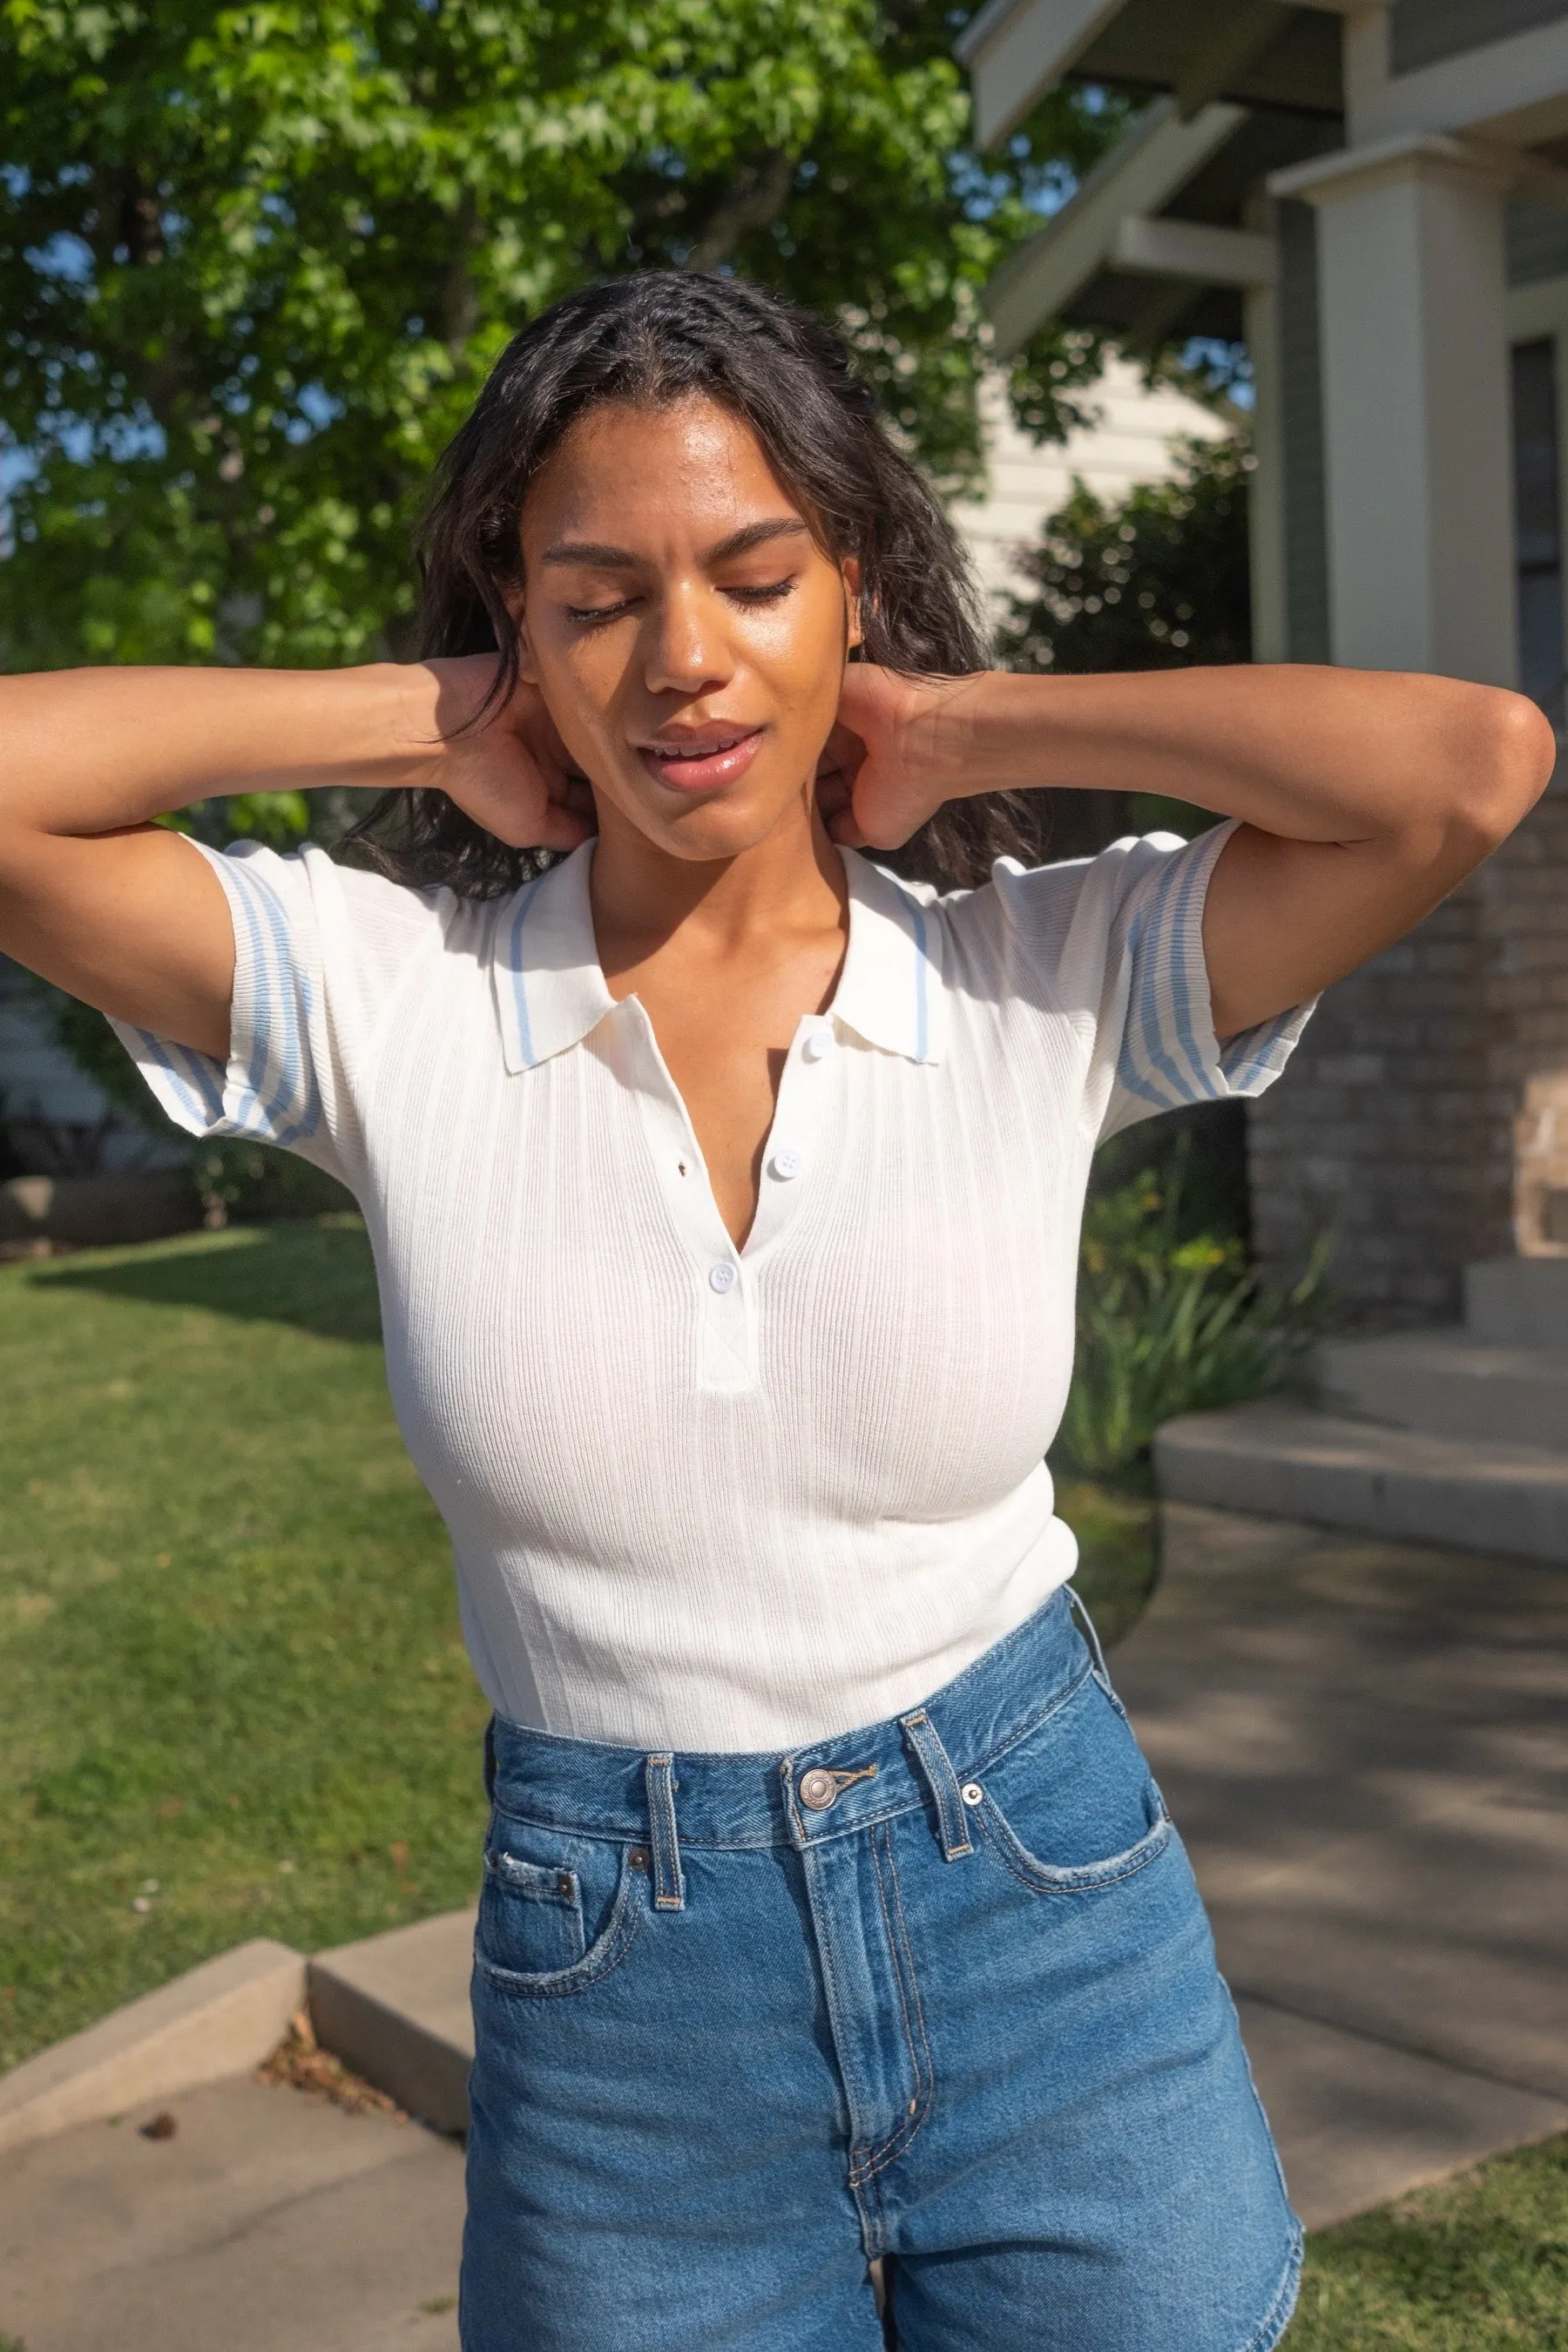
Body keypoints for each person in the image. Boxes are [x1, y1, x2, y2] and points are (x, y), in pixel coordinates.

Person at [0, 272, 1551, 2352]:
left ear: (854, 587)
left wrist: (958, 727)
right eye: (596, 598)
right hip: (623, 1995)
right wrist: (440, 716)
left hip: (1047, 1918)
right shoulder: (396, 998)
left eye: (756, 576)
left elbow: (1470, 766)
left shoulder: (1038, 971)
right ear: (517, 625)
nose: (685, 662)